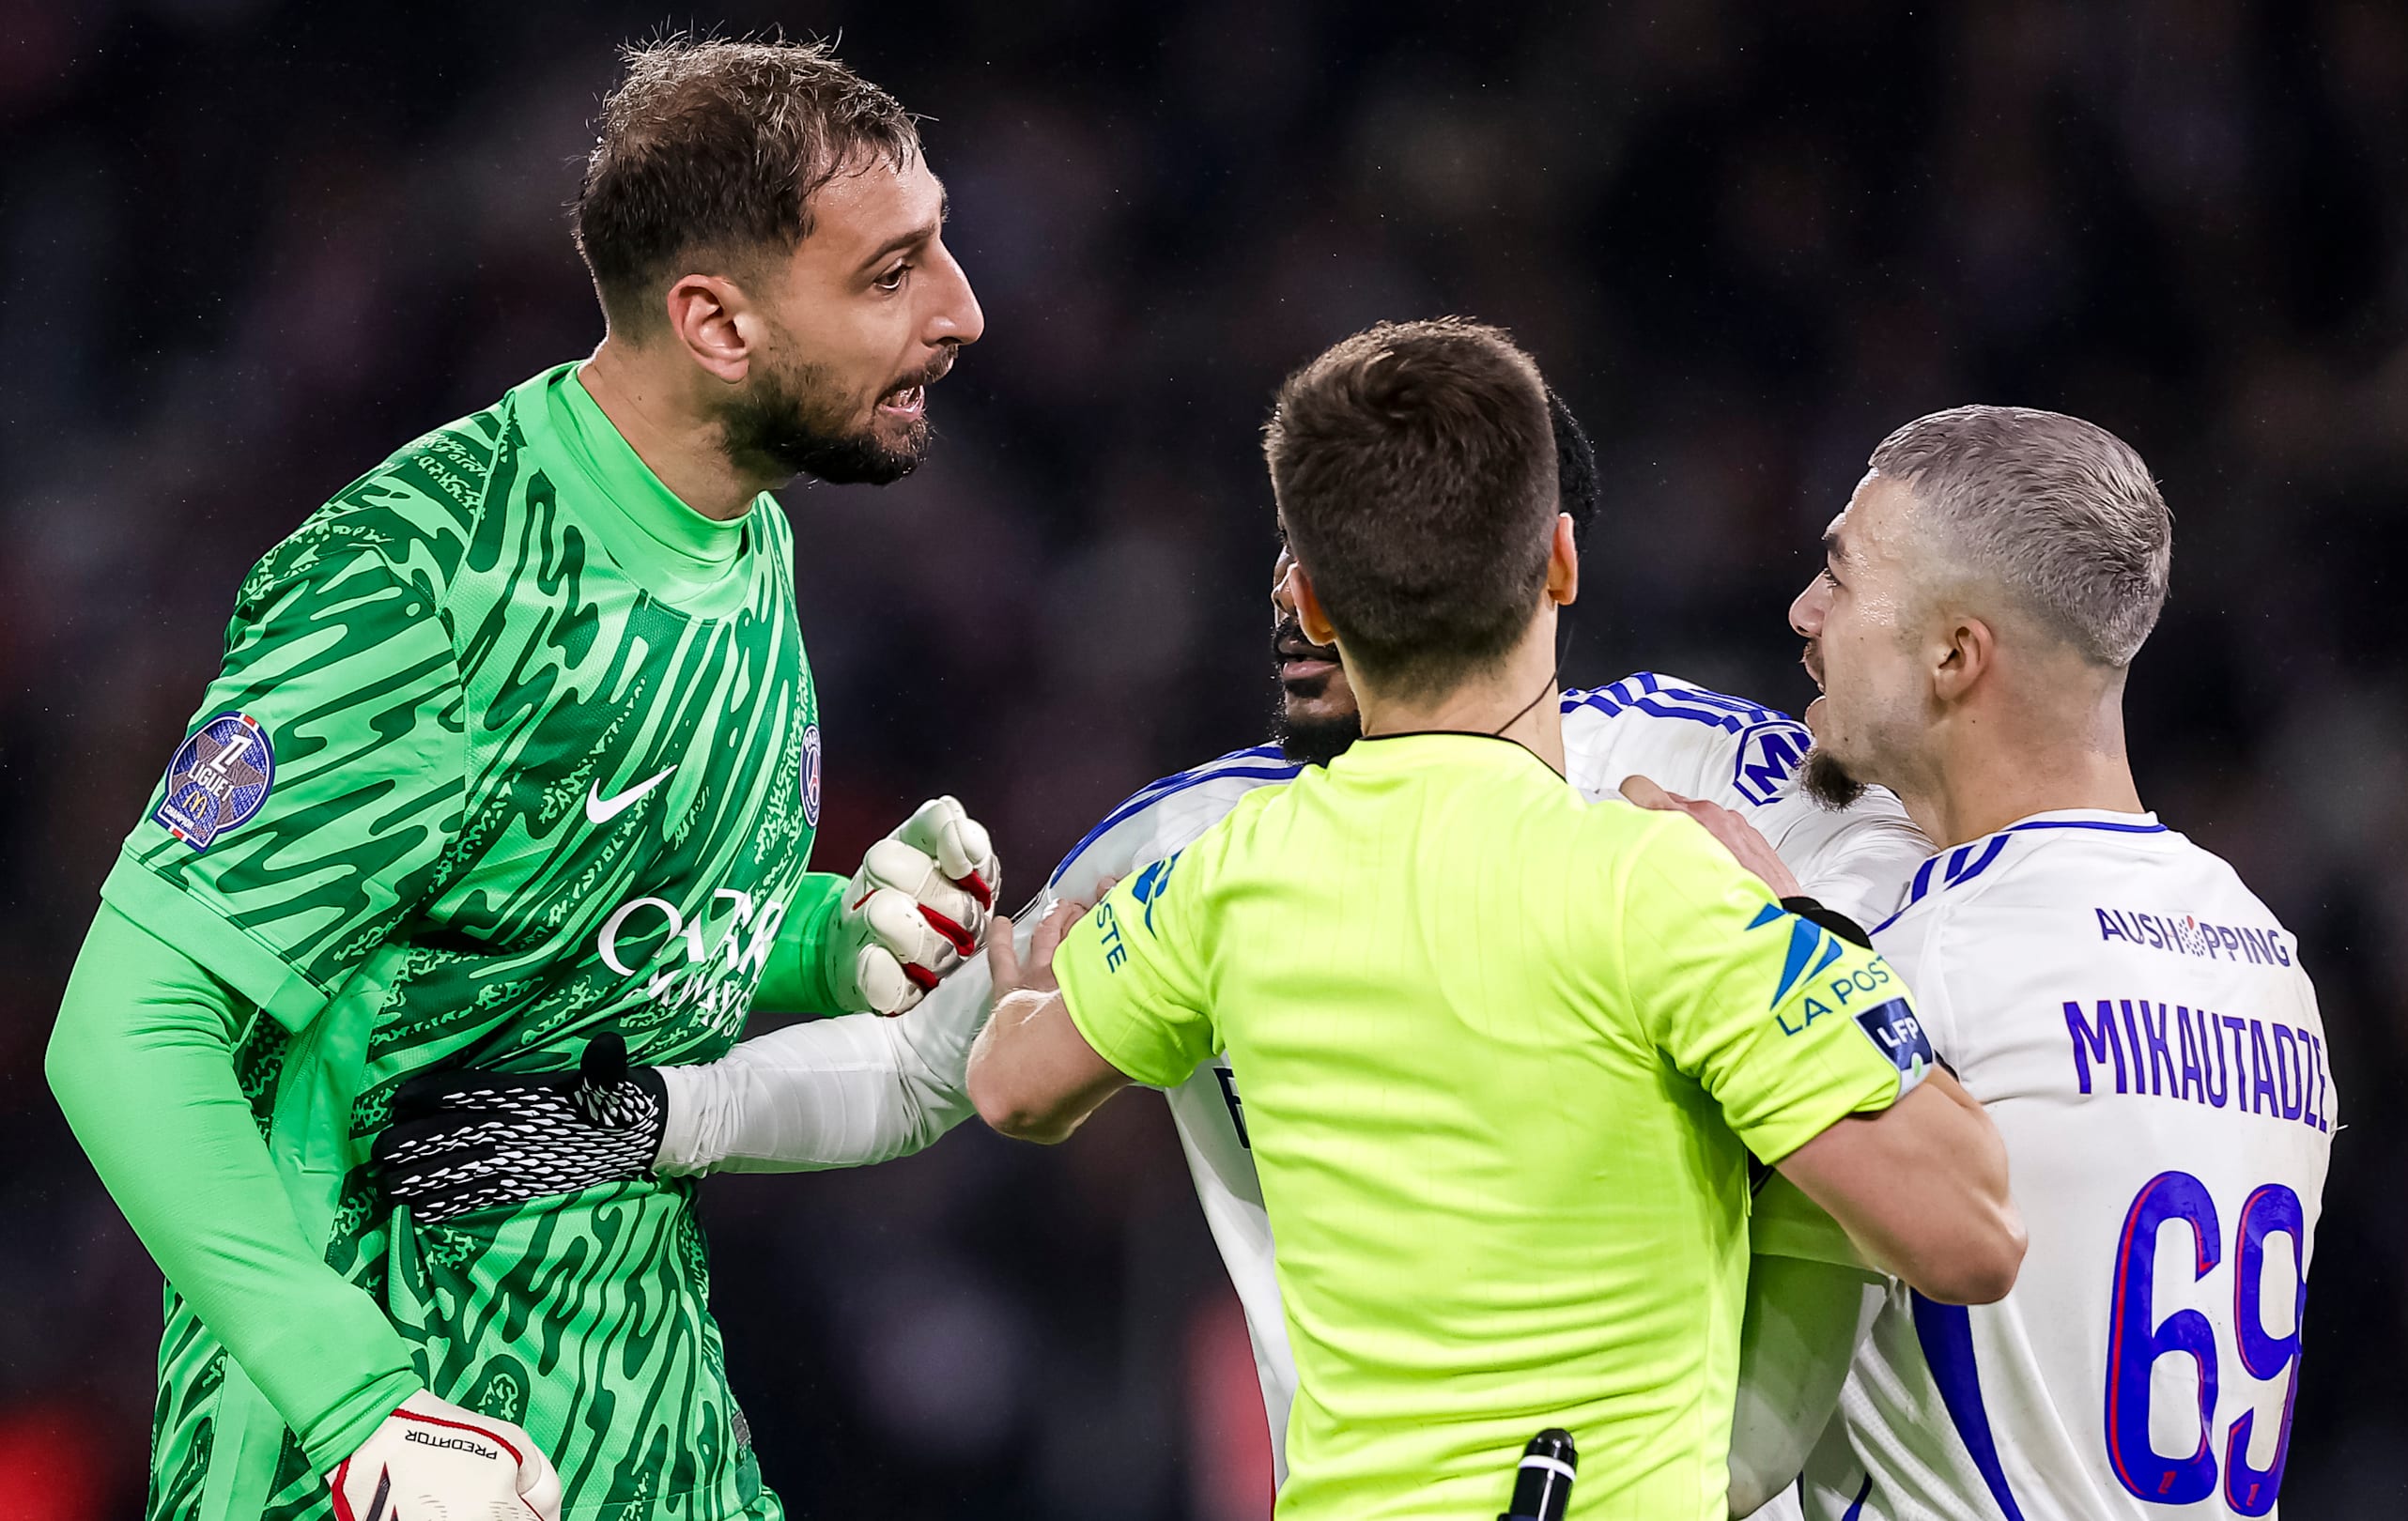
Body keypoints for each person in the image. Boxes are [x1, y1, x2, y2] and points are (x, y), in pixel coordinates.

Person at [370, 385, 1941, 1504]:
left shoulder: (1733, 789)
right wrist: (647, 1117)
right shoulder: (1200, 852)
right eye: (1295, 544)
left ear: (1540, 567)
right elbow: (937, 1072)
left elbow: (1933, 1016)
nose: (1294, 593)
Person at [44, 37, 1001, 1521]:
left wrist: (825, 936)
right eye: (893, 273)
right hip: (381, 1441)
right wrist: (356, 1406)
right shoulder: (427, 581)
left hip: (649, 1410)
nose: (963, 310)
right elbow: (123, 1024)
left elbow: (556, 930)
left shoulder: (741, 524)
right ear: (717, 326)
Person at [965, 317, 2024, 1518]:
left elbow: (1014, 1087)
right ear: (1562, 561)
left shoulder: (1224, 880)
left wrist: (1025, 996)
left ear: (1311, 603)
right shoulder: (1661, 888)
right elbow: (1967, 1231)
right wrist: (1807, 928)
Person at [1742, 407, 2335, 1519]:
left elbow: (1726, 1428)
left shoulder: (1925, 962)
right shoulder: (2267, 958)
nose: (1806, 612)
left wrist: (1744, 933)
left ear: (1955, 655)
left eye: (1842, 577)